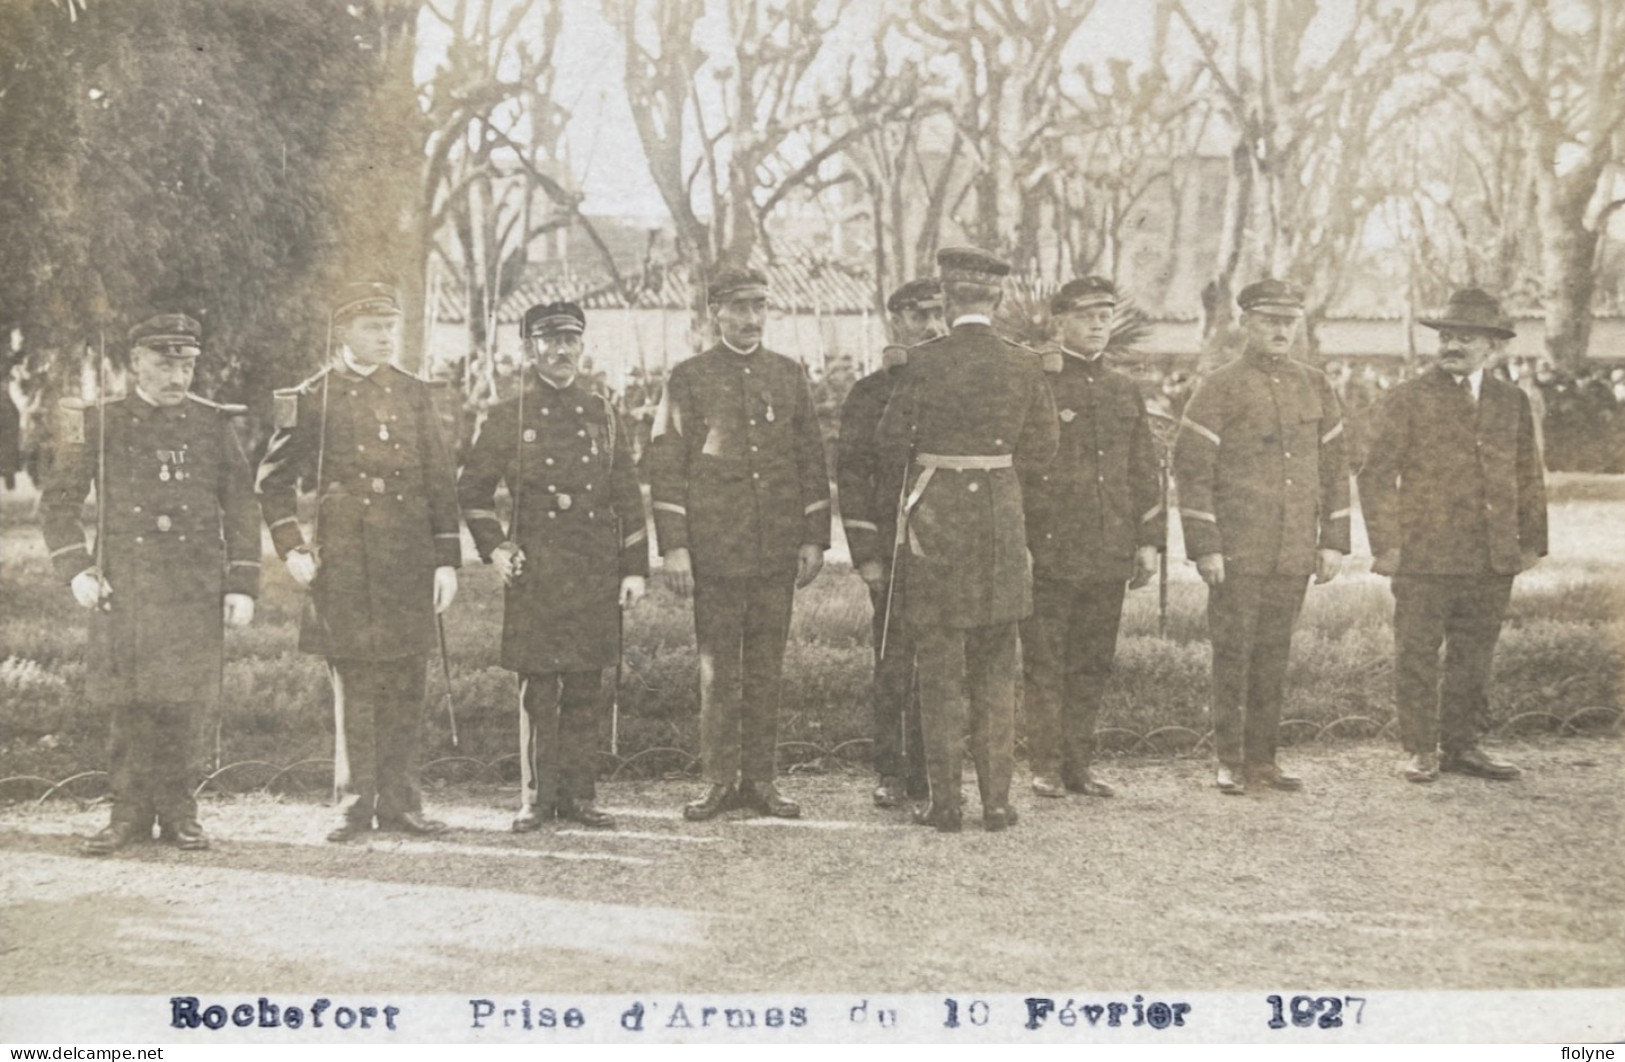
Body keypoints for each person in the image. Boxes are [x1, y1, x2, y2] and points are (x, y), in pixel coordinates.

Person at [41, 314, 260, 854]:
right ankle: (127, 815)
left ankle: (182, 812)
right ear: (136, 362)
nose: (176, 377)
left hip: (192, 585)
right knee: (129, 702)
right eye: (164, 364)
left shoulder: (212, 424)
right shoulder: (102, 423)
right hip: (127, 587)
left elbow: (241, 506)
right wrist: (76, 570)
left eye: (186, 365)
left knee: (186, 702)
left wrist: (242, 583)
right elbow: (58, 502)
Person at [256, 282, 462, 842]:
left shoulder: (415, 394)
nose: (385, 338)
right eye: (373, 328)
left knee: (405, 680)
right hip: (344, 560)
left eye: (390, 328)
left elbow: (441, 482)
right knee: (354, 679)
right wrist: (293, 548)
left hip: (408, 559)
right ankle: (353, 802)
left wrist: (447, 561)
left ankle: (402, 802)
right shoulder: (313, 396)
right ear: (343, 331)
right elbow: (272, 483)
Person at [878, 247, 1059, 832]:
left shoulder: (921, 363)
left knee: (938, 667)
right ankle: (998, 802)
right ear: (998, 299)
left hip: (938, 521)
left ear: (948, 300)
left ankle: (945, 804)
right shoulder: (1025, 364)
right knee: (995, 665)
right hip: (1001, 522)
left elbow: (888, 444)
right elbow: (1044, 450)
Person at [644, 266, 832, 821]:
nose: (752, 319)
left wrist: (813, 537)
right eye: (740, 308)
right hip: (716, 549)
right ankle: (719, 782)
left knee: (767, 668)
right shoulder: (689, 377)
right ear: (715, 313)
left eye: (760, 307)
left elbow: (809, 460)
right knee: (719, 671)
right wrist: (675, 546)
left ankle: (762, 782)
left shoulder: (787, 373)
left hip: (775, 547)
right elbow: (667, 463)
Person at [459, 302, 648, 831]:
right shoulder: (508, 416)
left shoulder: (603, 413)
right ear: (531, 349)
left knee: (586, 681)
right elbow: (472, 490)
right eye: (550, 341)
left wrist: (634, 568)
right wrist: (495, 547)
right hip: (535, 566)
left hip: (593, 563)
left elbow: (628, 495)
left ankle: (580, 795)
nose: (562, 350)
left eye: (571, 340)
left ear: (582, 347)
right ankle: (537, 798)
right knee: (538, 685)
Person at [1358, 288, 1547, 783]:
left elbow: (1528, 473)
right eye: (1446, 336)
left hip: (1491, 555)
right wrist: (1389, 546)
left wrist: (1531, 543)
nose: (1453, 346)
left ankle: (1462, 746)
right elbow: (1375, 476)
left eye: (1466, 337)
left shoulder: (1512, 401)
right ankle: (1420, 748)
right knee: (1417, 652)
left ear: (1493, 346)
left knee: (1474, 655)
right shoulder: (1407, 399)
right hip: (1424, 556)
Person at [1173, 279, 1350, 795]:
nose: (1279, 330)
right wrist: (1206, 546)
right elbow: (1193, 467)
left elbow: (1336, 467)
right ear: (1245, 324)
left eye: (1288, 321)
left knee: (1275, 655)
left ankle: (1263, 760)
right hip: (1238, 551)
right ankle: (1228, 759)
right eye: (1269, 320)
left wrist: (1332, 539)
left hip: (1293, 547)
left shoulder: (1315, 384)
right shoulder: (1220, 385)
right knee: (1233, 653)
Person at [1019, 276, 1163, 800]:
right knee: (1045, 660)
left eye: (1105, 316)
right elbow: (1019, 470)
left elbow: (1143, 469)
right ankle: (1044, 765)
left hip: (1107, 549)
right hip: (1051, 549)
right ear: (1059, 322)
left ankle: (1079, 765)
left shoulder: (1123, 389)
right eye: (1086, 316)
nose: (1099, 325)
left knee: (1092, 662)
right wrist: (1024, 544)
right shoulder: (1036, 382)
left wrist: (1148, 541)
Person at [836, 278, 944, 807]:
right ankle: (892, 770)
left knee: (945, 661)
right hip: (893, 551)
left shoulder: (958, 386)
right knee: (894, 660)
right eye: (919, 315)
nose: (931, 326)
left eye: (938, 315)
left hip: (948, 549)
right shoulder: (869, 393)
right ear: (895, 320)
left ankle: (935, 771)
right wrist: (868, 555)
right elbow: (852, 477)